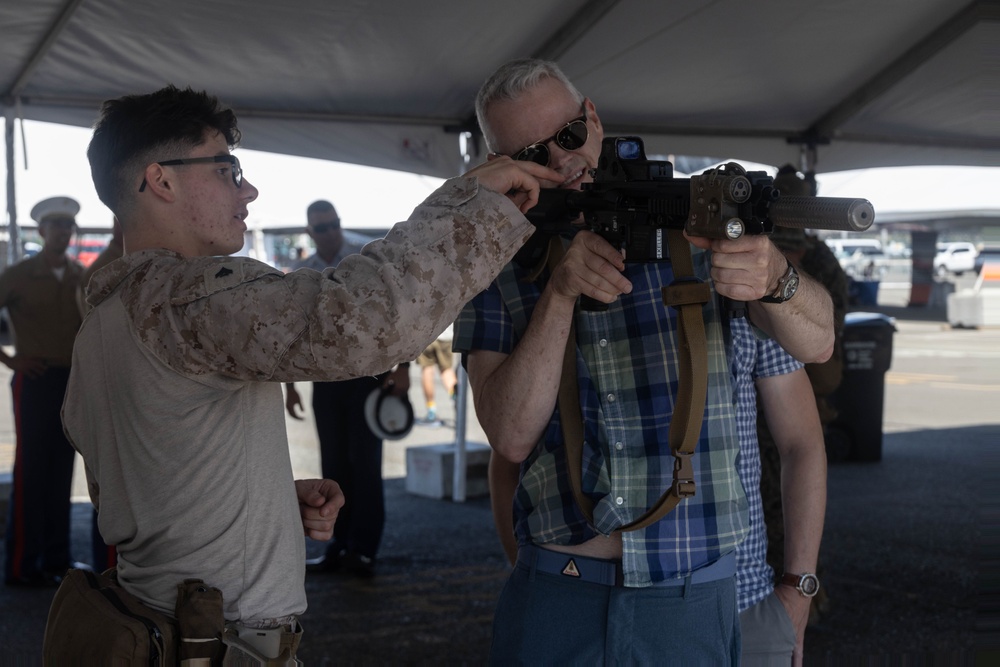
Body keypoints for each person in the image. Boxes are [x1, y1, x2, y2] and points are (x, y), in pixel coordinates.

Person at [58, 84, 558, 660]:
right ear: (160, 180)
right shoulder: (187, 297)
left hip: (166, 627)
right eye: (226, 168)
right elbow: (369, 320)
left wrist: (258, 501)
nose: (248, 189)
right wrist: (470, 204)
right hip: (220, 643)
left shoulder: (103, 319)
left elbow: (148, 479)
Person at [453, 59, 830, 663]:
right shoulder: (497, 263)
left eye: (569, 136)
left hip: (691, 592)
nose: (560, 162)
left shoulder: (697, 225)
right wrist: (560, 293)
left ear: (594, 120)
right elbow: (510, 437)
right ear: (500, 164)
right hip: (561, 588)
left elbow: (819, 343)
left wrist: (775, 276)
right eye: (530, 153)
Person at [285, 200, 409, 578]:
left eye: (333, 224)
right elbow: (288, 331)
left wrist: (404, 367)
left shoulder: (363, 257)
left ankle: (364, 550)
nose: (329, 231)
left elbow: (400, 312)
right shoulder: (304, 272)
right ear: (310, 232)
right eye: (321, 227)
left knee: (366, 466)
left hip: (367, 379)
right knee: (334, 465)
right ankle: (338, 545)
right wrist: (289, 387)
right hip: (326, 382)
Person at [1, 196, 86, 588]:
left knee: (61, 471)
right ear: (41, 231)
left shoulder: (79, 276)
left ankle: (57, 559)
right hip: (34, 380)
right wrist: (10, 360)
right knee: (31, 473)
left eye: (68, 227)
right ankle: (21, 564)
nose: (63, 233)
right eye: (55, 226)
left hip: (71, 382)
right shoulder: (19, 274)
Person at [414, 326, 457, 426]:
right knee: (446, 371)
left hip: (426, 333)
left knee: (427, 370)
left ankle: (431, 412)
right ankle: (457, 400)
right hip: (446, 334)